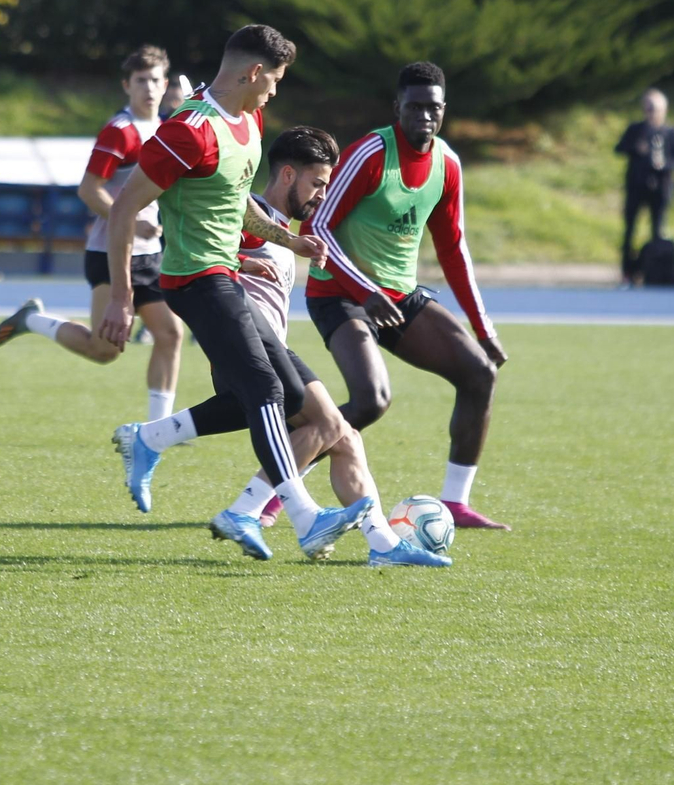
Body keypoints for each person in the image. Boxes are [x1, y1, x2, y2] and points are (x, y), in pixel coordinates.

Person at [98, 24, 373, 561]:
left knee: (284, 397)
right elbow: (126, 207)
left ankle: (148, 439)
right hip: (193, 279)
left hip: (224, 273)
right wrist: (120, 297)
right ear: (252, 72)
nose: (276, 90)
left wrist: (287, 239)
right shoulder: (188, 132)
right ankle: (303, 518)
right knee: (267, 393)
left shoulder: (248, 118)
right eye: (275, 78)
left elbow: (234, 199)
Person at [113, 126, 448, 567]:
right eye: (317, 183)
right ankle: (250, 511)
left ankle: (382, 544)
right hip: (248, 350)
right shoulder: (255, 220)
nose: (322, 195)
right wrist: (240, 258)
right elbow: (196, 242)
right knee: (331, 425)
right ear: (288, 175)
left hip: (269, 349)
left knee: (341, 434)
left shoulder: (279, 227)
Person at [306, 61, 511, 530]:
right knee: (369, 401)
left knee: (479, 374)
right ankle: (274, 494)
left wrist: (485, 331)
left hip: (397, 298)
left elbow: (453, 250)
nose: (424, 117)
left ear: (443, 112)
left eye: (432, 109)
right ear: (396, 107)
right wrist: (365, 290)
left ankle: (455, 505)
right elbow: (316, 227)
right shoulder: (370, 153)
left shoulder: (447, 163)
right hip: (340, 294)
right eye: (414, 107)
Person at [0, 46, 184, 425]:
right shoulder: (120, 131)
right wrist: (128, 219)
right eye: (140, 80)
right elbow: (89, 190)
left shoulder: (166, 130)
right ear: (126, 85)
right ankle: (32, 320)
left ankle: (159, 428)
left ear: (166, 85)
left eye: (156, 80)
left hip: (150, 255)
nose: (149, 87)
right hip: (110, 252)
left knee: (171, 334)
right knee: (103, 350)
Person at [614, 88, 674, 285]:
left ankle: (653, 273)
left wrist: (663, 165)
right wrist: (636, 148)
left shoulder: (670, 132)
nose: (651, 113)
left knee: (658, 232)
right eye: (648, 108)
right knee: (629, 231)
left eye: (655, 109)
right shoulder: (636, 130)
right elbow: (619, 148)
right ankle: (627, 272)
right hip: (636, 187)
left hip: (660, 189)